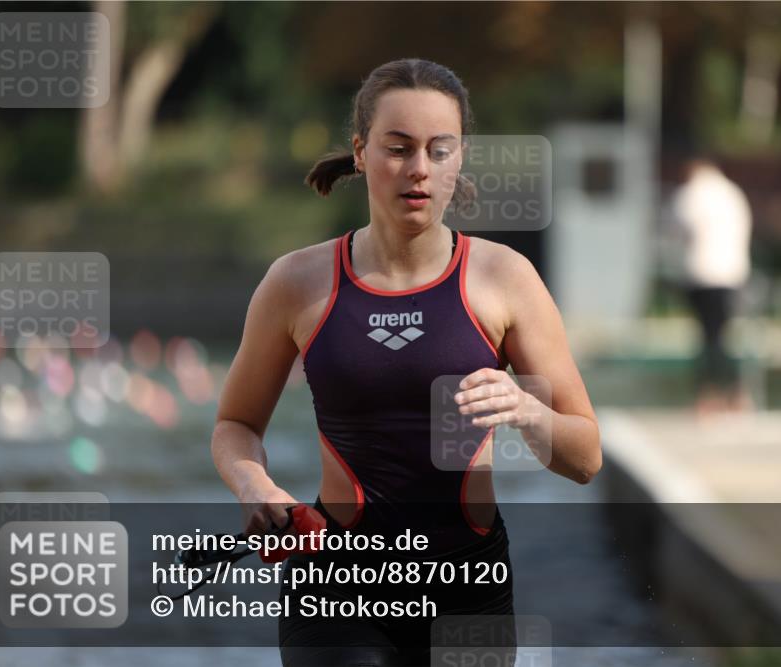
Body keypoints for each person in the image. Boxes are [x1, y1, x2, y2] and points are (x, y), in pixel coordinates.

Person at [211, 58, 601, 666]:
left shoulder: (504, 278)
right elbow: (235, 424)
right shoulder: (298, 282)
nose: (419, 169)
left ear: (459, 158)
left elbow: (585, 459)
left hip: (468, 586)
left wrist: (527, 410)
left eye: (438, 150)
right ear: (362, 152)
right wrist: (253, 484)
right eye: (398, 148)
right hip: (334, 583)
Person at [665, 158, 753, 416]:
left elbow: (674, 230)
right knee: (724, 336)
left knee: (709, 338)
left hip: (701, 275)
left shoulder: (691, 195)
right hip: (733, 274)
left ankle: (710, 395)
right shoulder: (733, 193)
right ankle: (736, 393)